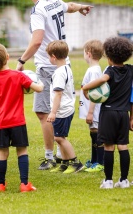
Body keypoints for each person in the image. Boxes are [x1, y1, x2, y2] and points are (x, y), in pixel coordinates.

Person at [16, 0, 93, 170]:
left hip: (48, 66)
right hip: (63, 63)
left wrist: (21, 60)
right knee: (57, 109)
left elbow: (37, 41)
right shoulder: (55, 1)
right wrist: (82, 7)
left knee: (44, 113)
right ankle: (60, 153)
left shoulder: (37, 11)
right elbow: (71, 6)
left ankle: (50, 156)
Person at [0, 43, 44, 192]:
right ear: (7, 57)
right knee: (22, 151)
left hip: (2, 122)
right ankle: (24, 184)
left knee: (2, 153)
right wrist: (41, 83)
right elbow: (37, 88)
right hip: (18, 121)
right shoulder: (18, 75)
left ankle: (0, 185)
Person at [82, 36, 133, 189]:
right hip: (123, 114)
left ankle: (108, 181)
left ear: (109, 57)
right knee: (123, 146)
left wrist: (85, 87)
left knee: (109, 147)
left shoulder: (109, 71)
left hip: (108, 113)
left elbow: (102, 79)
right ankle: (124, 181)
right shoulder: (130, 70)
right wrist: (132, 118)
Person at [46, 40, 83, 173]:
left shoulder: (60, 73)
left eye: (49, 56)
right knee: (59, 137)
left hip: (62, 110)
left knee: (59, 138)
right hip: (66, 108)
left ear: (53, 56)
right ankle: (65, 164)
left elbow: (58, 94)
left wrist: (53, 112)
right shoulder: (66, 67)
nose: (49, 58)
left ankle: (76, 163)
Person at [79, 40, 104, 172]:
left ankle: (100, 162)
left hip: (94, 110)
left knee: (97, 134)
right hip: (91, 110)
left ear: (88, 53)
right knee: (93, 133)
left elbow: (95, 93)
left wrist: (90, 112)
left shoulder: (94, 71)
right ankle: (94, 160)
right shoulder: (93, 69)